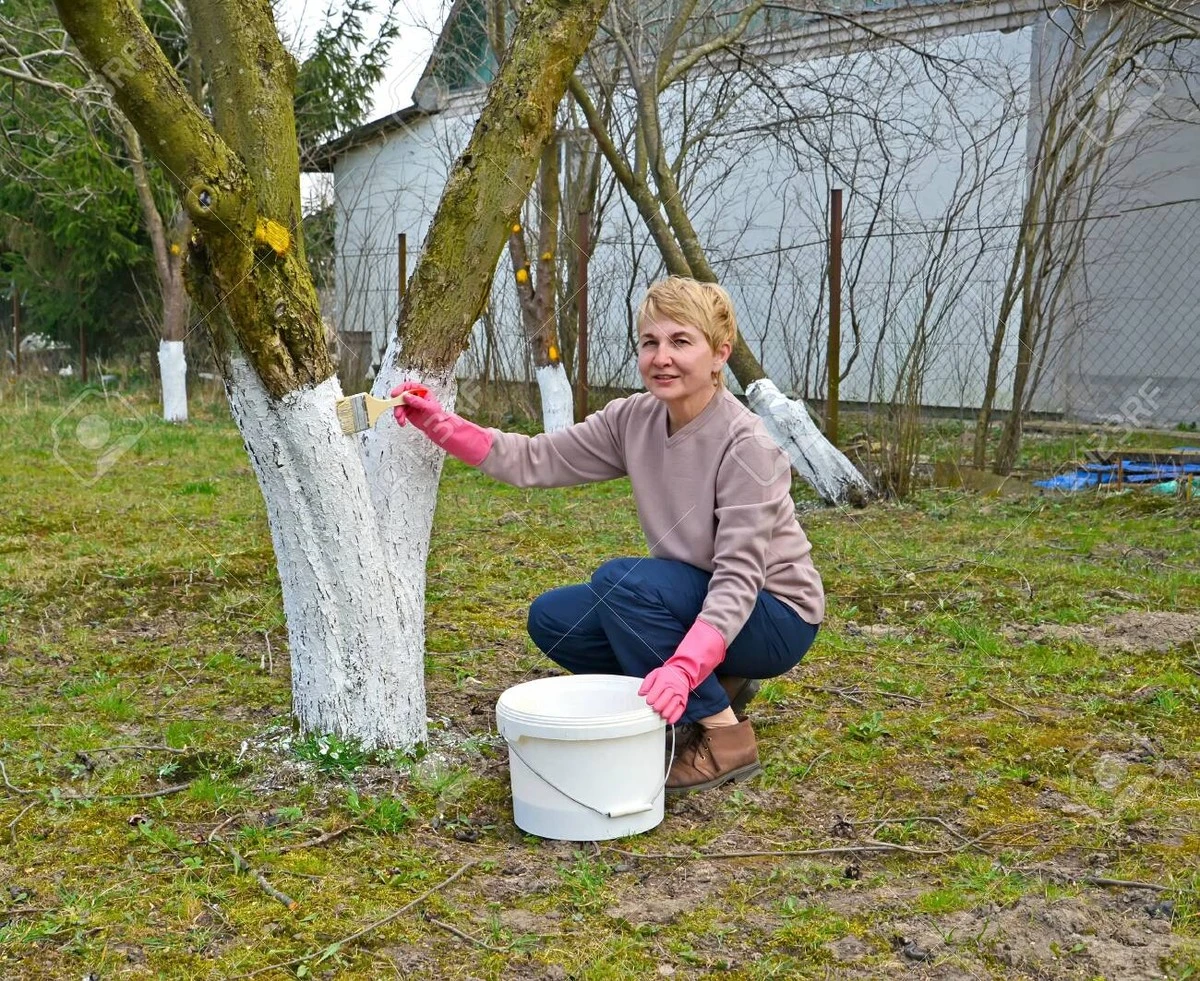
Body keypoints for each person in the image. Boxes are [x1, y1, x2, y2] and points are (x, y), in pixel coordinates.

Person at [391, 276, 823, 793]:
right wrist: (440, 424)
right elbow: (536, 459)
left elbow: (736, 579)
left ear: (719, 355)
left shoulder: (747, 445)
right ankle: (715, 684)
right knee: (555, 619)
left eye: (681, 342)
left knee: (621, 584)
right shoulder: (632, 419)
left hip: (773, 614)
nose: (661, 357)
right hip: (696, 597)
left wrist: (683, 669)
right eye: (650, 342)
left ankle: (725, 737)